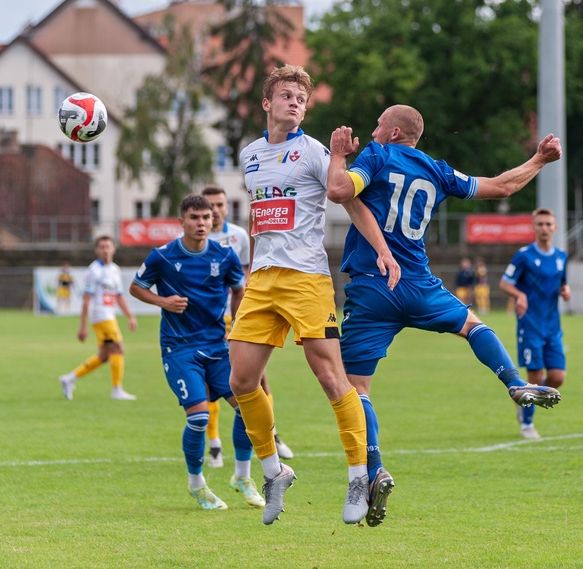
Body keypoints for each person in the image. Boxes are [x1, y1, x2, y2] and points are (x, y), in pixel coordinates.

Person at [326, 104, 564, 527]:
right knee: (472, 324)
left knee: (356, 388)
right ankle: (513, 381)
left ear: (394, 132)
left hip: (373, 284)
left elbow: (342, 191)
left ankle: (375, 466)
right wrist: (539, 160)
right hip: (419, 284)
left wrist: (340, 154)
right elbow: (503, 187)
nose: (373, 130)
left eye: (378, 124)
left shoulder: (378, 155)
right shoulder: (438, 170)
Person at [228, 64, 398, 526]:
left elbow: (350, 199)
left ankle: (359, 477)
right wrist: (248, 268)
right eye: (286, 96)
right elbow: (258, 215)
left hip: (306, 278)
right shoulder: (250, 155)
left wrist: (383, 250)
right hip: (262, 279)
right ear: (267, 104)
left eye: (301, 99)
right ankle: (273, 472)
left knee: (329, 376)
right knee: (241, 382)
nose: (295, 103)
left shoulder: (314, 151)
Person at [129, 194, 264, 511]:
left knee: (248, 409)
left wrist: (238, 325)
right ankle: (197, 485)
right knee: (200, 417)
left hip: (218, 347)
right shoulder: (162, 256)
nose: (202, 222)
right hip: (180, 348)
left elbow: (239, 289)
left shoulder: (226, 255)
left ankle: (242, 477)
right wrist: (163, 302)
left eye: (206, 217)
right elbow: (136, 287)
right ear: (182, 222)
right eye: (195, 218)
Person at [200, 185, 295, 468]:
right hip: (208, 320)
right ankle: (214, 443)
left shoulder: (238, 236)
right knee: (209, 380)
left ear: (226, 207)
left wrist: (242, 316)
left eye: (219, 204)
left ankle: (271, 433)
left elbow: (246, 277)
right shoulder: (195, 238)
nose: (215, 210)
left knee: (257, 376)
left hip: (239, 316)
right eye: (210, 205)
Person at [499, 208, 571, 439]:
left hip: (552, 327)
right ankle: (527, 425)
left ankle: (526, 399)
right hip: (530, 326)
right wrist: (519, 295)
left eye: (549, 224)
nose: (544, 228)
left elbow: (562, 283)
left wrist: (565, 290)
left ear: (555, 228)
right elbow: (505, 283)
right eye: (540, 224)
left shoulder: (561, 257)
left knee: (558, 377)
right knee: (534, 375)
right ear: (533, 227)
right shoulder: (524, 256)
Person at [59, 235, 137, 401]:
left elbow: (119, 297)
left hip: (110, 315)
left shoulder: (115, 269)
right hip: (101, 315)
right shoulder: (93, 271)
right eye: (101, 247)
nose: (105, 250)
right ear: (96, 250)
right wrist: (83, 326)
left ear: (114, 249)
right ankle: (117, 389)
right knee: (118, 349)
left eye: (108, 246)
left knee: (104, 356)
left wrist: (130, 316)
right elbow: (86, 299)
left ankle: (69, 379)